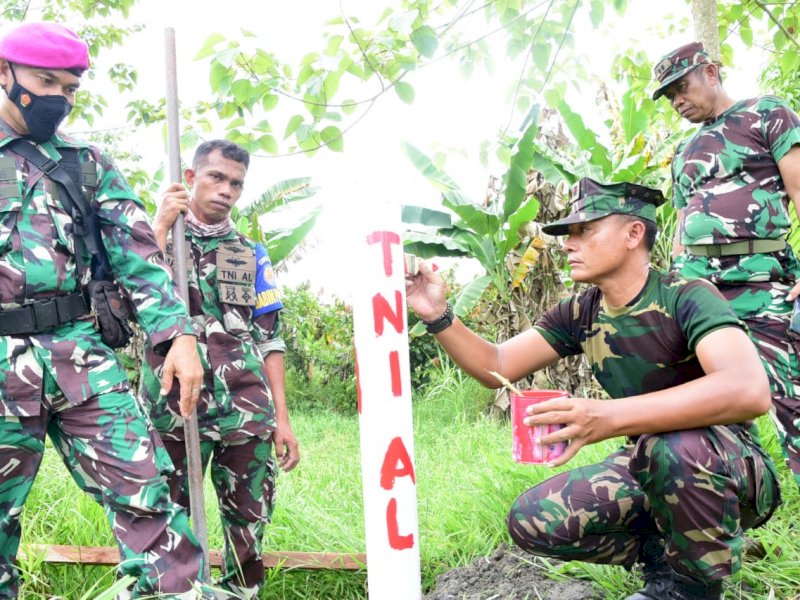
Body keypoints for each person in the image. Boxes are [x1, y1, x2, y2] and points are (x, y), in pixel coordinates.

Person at [405, 178, 781, 600]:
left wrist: (608, 417)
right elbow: (498, 365)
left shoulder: (687, 297)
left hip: (730, 470)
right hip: (651, 465)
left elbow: (747, 389)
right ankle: (667, 561)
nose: (569, 244)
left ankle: (693, 589)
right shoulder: (580, 312)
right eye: (569, 233)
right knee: (534, 519)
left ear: (633, 233)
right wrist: (437, 313)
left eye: (585, 230)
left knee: (671, 449)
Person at [0, 21, 209, 598]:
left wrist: (178, 336)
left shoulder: (86, 162)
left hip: (81, 358)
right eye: (45, 82)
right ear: (4, 72)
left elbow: (138, 253)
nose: (58, 99)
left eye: (69, 88)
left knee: (150, 502)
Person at [140, 139, 300, 599]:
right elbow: (133, 294)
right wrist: (160, 225)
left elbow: (270, 340)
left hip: (244, 412)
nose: (226, 190)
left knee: (248, 529)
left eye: (236, 183)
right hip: (173, 410)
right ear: (191, 178)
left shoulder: (250, 253)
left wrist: (282, 419)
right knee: (167, 525)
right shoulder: (157, 240)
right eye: (216, 177)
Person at [652, 41, 800, 491]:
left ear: (711, 73)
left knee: (791, 395)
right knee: (705, 401)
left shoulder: (766, 114)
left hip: (763, 281)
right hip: (701, 292)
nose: (677, 100)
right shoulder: (684, 150)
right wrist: (674, 285)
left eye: (682, 87)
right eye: (669, 96)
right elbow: (683, 224)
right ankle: (732, 499)